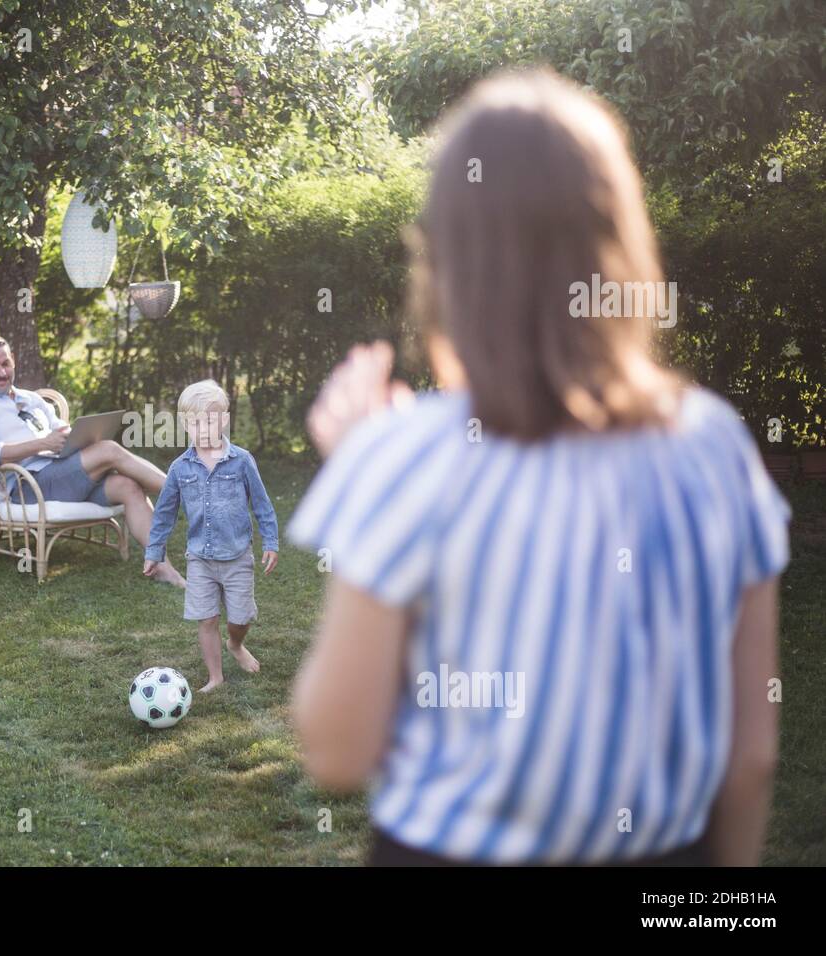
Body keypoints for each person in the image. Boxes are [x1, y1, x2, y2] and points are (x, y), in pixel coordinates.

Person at [287, 68, 790, 866]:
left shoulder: (409, 456)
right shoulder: (716, 445)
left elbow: (337, 746)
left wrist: (363, 473)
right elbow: (750, 756)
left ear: (449, 262)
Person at [0, 335, 185, 587]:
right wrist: (41, 444)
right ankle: (187, 493)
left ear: (13, 361)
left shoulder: (31, 399)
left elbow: (59, 429)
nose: (1, 372)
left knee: (128, 486)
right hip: (29, 487)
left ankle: (164, 568)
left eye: (6, 364)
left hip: (63, 474)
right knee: (109, 450)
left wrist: (75, 435)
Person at [143, 380, 279, 691]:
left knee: (241, 617)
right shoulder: (180, 468)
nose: (203, 428)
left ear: (225, 421)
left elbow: (262, 504)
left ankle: (235, 643)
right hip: (200, 559)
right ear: (184, 425)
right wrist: (154, 551)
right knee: (206, 618)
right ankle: (215, 677)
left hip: (237, 556)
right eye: (195, 422)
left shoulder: (242, 461)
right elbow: (164, 513)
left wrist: (270, 542)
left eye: (210, 420)